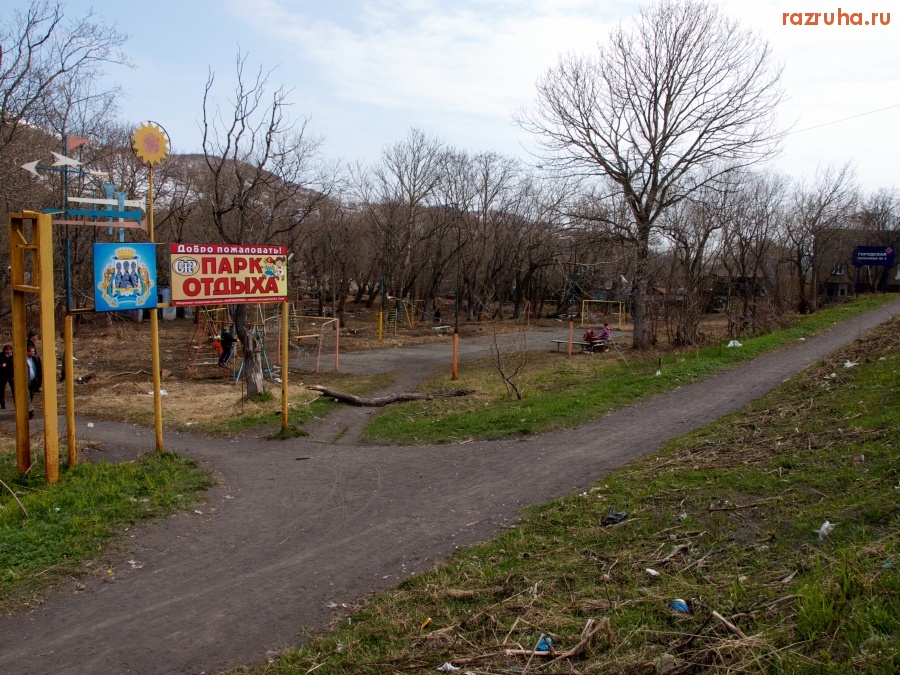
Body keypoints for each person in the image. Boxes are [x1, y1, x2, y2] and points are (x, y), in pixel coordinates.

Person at [26, 344, 42, 419]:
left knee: (31, 395)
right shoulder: (21, 359)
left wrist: (39, 382)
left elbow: (39, 369)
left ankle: (29, 408)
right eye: (32, 351)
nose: (34, 352)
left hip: (34, 380)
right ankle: (29, 410)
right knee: (27, 396)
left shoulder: (35, 358)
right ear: (27, 352)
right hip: (26, 381)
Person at [0, 344, 13, 409]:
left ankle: (16, 403)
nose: (8, 351)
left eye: (10, 350)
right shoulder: (1, 355)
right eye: (7, 350)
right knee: (1, 389)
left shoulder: (14, 355)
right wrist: (1, 365)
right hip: (3, 374)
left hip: (11, 374)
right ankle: (2, 404)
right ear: (4, 350)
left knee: (14, 389)